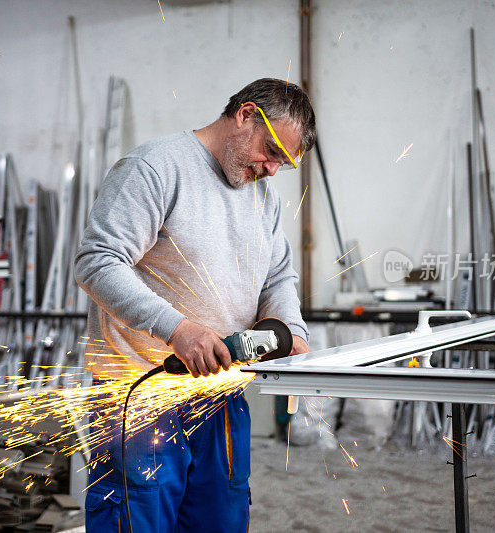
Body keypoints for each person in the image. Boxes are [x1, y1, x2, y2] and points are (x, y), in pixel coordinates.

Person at [75, 77, 316, 532]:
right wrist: (177, 330)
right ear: (245, 115)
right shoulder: (156, 167)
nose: (271, 170)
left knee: (220, 521)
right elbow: (97, 262)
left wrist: (292, 329)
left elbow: (279, 275)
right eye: (270, 151)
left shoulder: (263, 197)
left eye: (284, 163)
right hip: (141, 396)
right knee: (136, 519)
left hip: (221, 395)